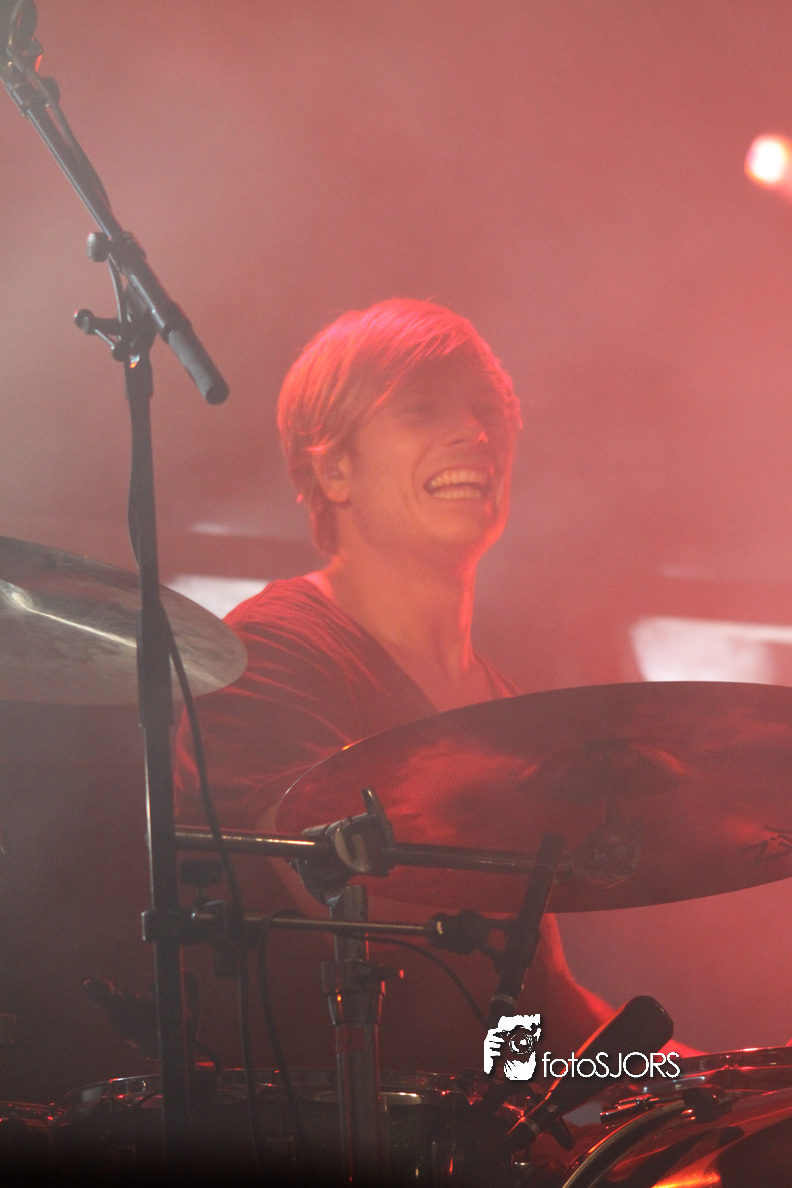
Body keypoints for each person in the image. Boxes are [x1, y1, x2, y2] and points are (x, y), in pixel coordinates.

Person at [173, 298, 613, 1074]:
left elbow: (534, 1002)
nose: (474, 433)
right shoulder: (271, 649)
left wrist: (700, 1079)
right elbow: (347, 900)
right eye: (422, 409)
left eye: (488, 411)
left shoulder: (510, 707)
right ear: (334, 469)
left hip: (485, 1129)